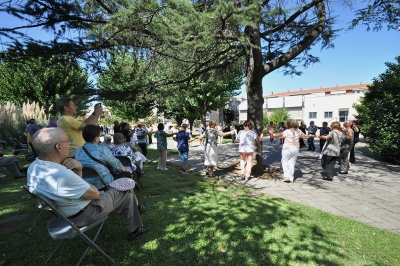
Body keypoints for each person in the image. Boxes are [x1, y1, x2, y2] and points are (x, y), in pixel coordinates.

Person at [27, 127, 149, 242]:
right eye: (67, 141)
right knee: (126, 190)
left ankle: (134, 216)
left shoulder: (33, 168)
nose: (69, 144)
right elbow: (95, 194)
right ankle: (135, 227)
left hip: (62, 212)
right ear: (59, 147)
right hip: (85, 213)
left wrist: (80, 168)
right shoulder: (62, 175)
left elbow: (76, 183)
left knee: (123, 194)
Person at [75, 125, 132, 190]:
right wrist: (124, 169)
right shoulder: (102, 149)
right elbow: (114, 162)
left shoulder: (78, 150)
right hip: (103, 184)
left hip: (86, 185)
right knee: (127, 174)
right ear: (96, 138)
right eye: (99, 136)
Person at [273, 119, 310, 183]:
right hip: (295, 148)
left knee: (284, 161)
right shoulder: (299, 131)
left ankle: (287, 176)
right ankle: (291, 178)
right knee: (292, 163)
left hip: (287, 148)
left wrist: (273, 134)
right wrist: (309, 136)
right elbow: (305, 137)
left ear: (288, 124)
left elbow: (280, 136)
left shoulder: (287, 131)